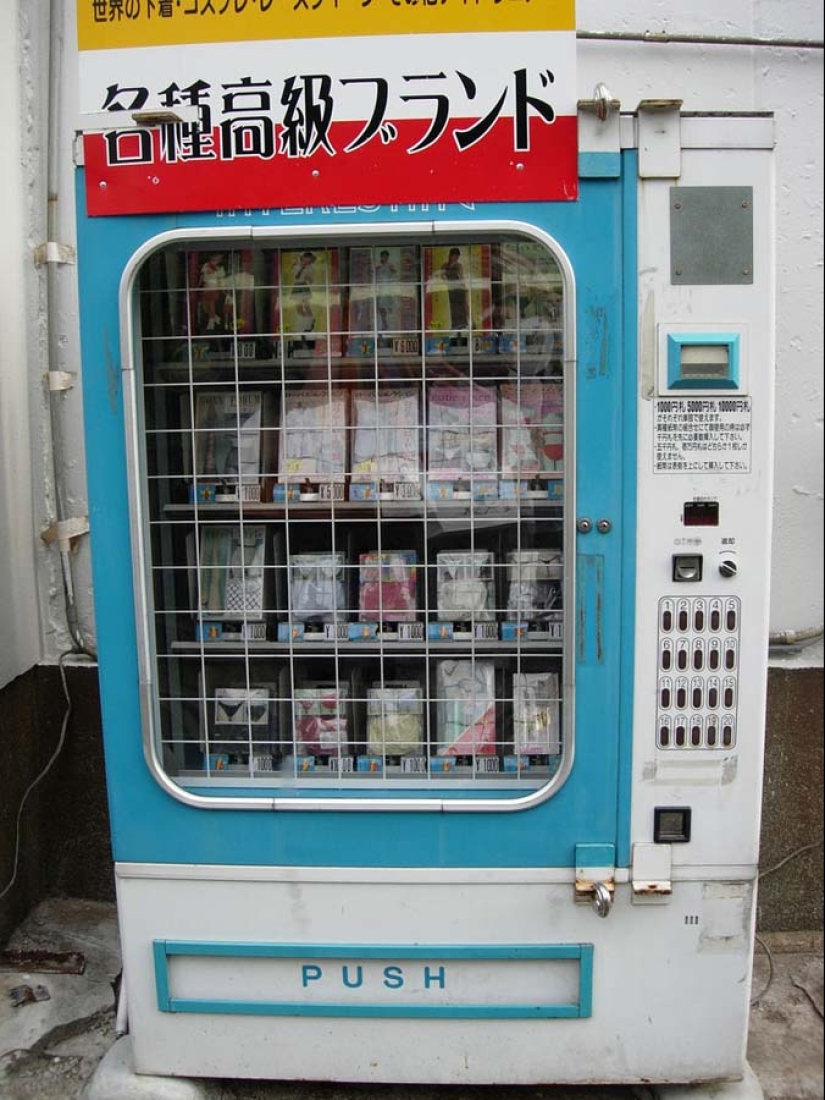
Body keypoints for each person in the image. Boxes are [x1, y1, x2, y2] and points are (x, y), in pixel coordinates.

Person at [439, 247, 469, 330]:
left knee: (463, 306)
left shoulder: (459, 266)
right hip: (451, 289)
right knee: (453, 307)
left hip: (459, 288)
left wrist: (465, 288)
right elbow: (442, 276)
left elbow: (461, 277)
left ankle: (466, 323)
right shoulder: (444, 265)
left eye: (457, 257)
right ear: (450, 256)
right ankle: (455, 325)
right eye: (454, 256)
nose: (455, 258)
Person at [290, 251, 317, 333]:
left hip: (304, 286)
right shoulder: (296, 266)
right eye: (305, 260)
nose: (306, 262)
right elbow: (296, 276)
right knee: (298, 308)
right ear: (301, 259)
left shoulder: (309, 269)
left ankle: (309, 323)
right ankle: (303, 324)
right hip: (297, 286)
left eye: (308, 261)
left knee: (306, 306)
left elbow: (311, 280)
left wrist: (308, 276)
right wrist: (301, 268)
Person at [375, 248, 397, 331]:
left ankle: (391, 324)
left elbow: (395, 274)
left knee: (389, 306)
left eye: (386, 256)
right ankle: (384, 323)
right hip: (380, 289)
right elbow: (374, 275)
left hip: (388, 288)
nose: (385, 258)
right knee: (381, 306)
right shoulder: (378, 266)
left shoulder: (390, 266)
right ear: (381, 257)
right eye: (383, 256)